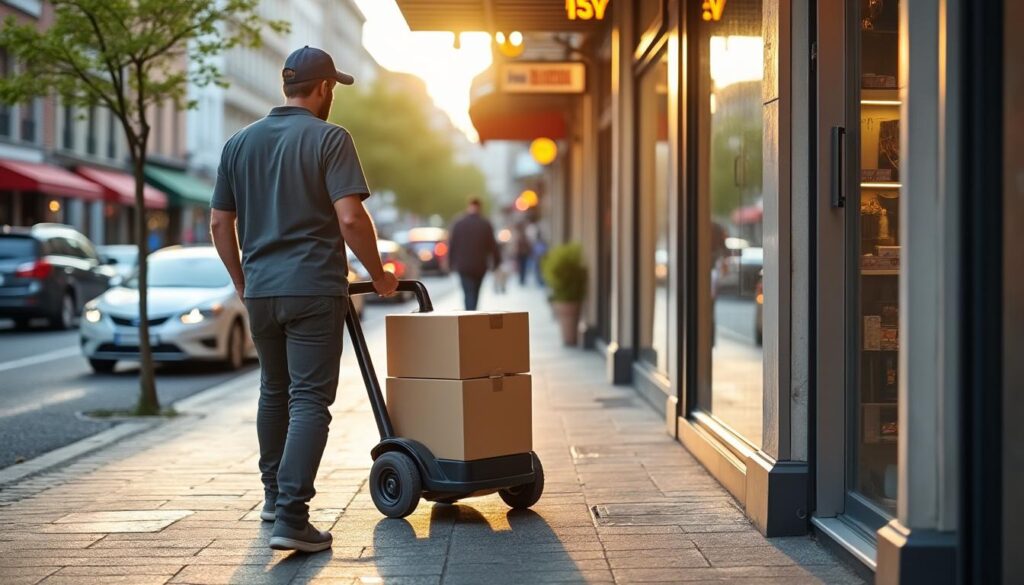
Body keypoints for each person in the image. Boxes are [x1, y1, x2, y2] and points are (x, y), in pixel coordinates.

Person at [209, 46, 398, 554]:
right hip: (313, 287)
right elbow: (352, 218)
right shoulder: (331, 138)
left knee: (274, 392)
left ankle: (273, 499)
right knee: (309, 399)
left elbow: (219, 224)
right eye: (331, 87)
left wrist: (241, 279)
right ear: (324, 88)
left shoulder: (238, 143)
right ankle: (292, 516)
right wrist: (379, 275)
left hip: (263, 289)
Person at [448, 198, 500, 310]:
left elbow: (452, 245)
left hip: (463, 266)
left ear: (468, 206)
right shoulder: (485, 224)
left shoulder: (459, 223)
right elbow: (493, 246)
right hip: (479, 266)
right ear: (480, 207)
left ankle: (469, 314)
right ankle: (472, 314)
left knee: (467, 293)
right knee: (475, 293)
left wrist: (450, 263)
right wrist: (496, 263)